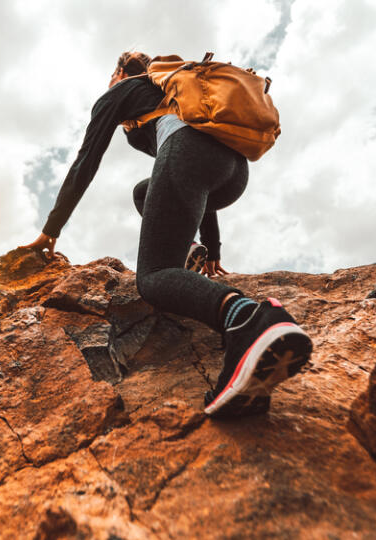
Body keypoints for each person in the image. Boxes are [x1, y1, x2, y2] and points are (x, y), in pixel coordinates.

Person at [20, 51, 312, 418]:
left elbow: (86, 161)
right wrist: (212, 247)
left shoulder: (121, 92)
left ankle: (250, 320)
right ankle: (191, 254)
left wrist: (52, 228)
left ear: (120, 71)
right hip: (233, 171)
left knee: (155, 277)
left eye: (113, 72)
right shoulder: (168, 90)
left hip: (190, 154)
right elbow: (197, 175)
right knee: (145, 191)